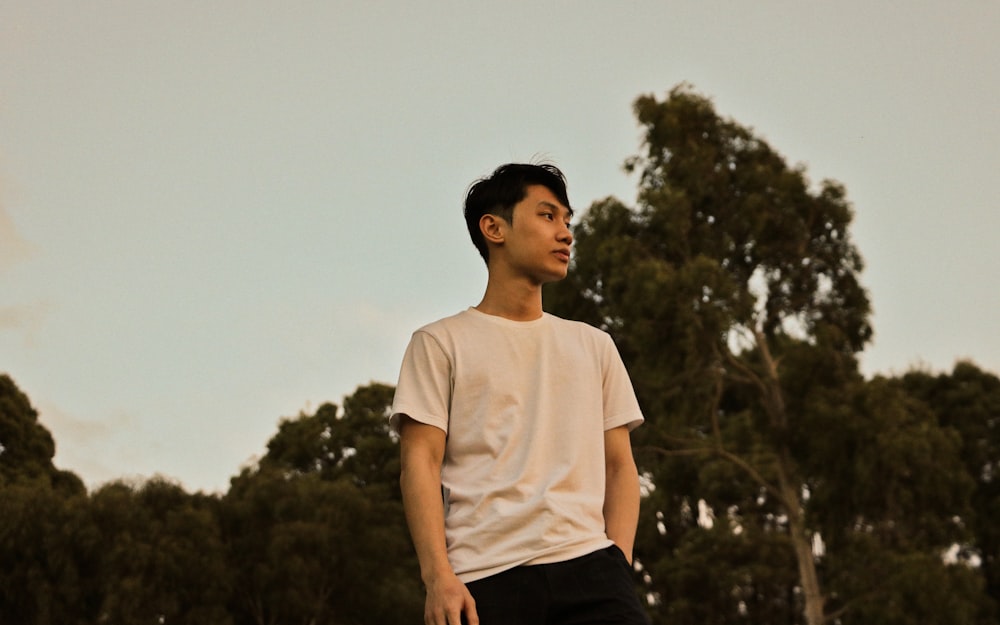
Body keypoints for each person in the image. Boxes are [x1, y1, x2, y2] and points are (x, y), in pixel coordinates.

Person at [390, 163, 649, 625]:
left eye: (568, 221)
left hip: (593, 570)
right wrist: (438, 578)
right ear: (494, 228)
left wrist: (619, 565)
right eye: (548, 216)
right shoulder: (439, 343)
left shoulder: (594, 345)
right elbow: (420, 463)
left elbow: (620, 466)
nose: (565, 233)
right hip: (484, 580)